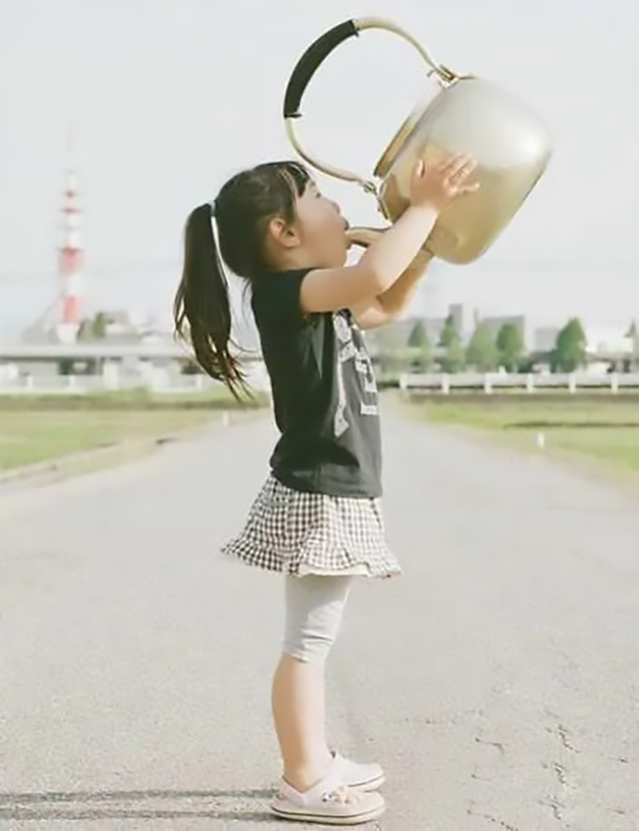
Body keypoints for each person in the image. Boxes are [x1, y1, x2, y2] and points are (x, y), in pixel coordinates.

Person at [173, 153, 477, 825]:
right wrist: (422, 206)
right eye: (317, 197)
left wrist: (416, 244)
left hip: (335, 487)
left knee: (315, 638)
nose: (337, 205)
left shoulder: (319, 297)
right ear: (284, 232)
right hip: (317, 487)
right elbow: (372, 274)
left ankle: (317, 759)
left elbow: (388, 296)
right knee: (307, 643)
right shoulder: (288, 295)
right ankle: (303, 775)